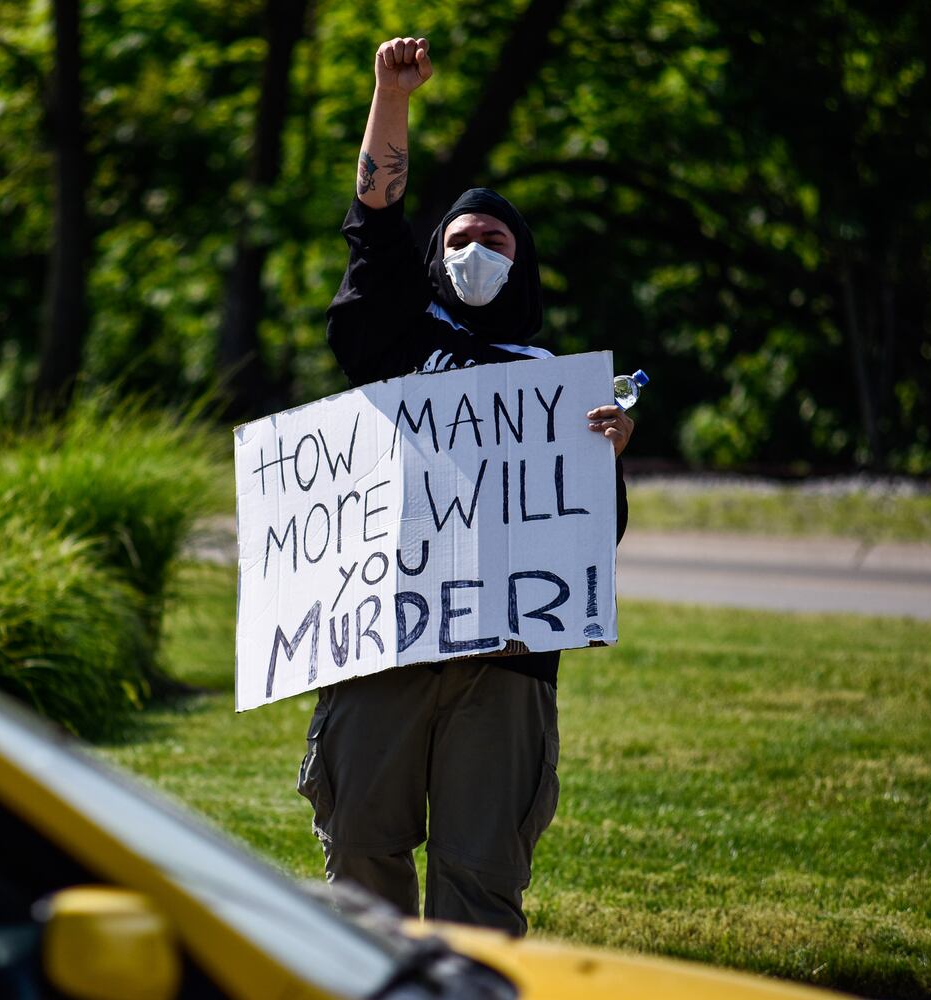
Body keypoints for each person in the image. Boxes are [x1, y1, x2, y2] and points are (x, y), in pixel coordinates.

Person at [296, 36, 633, 935]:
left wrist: (608, 456)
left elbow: (595, 535)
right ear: (436, 258)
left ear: (520, 260)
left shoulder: (563, 385)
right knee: (361, 860)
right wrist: (390, 97)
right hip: (384, 647)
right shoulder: (395, 338)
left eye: (494, 237)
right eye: (459, 237)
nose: (475, 248)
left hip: (506, 671)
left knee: (479, 885)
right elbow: (372, 222)